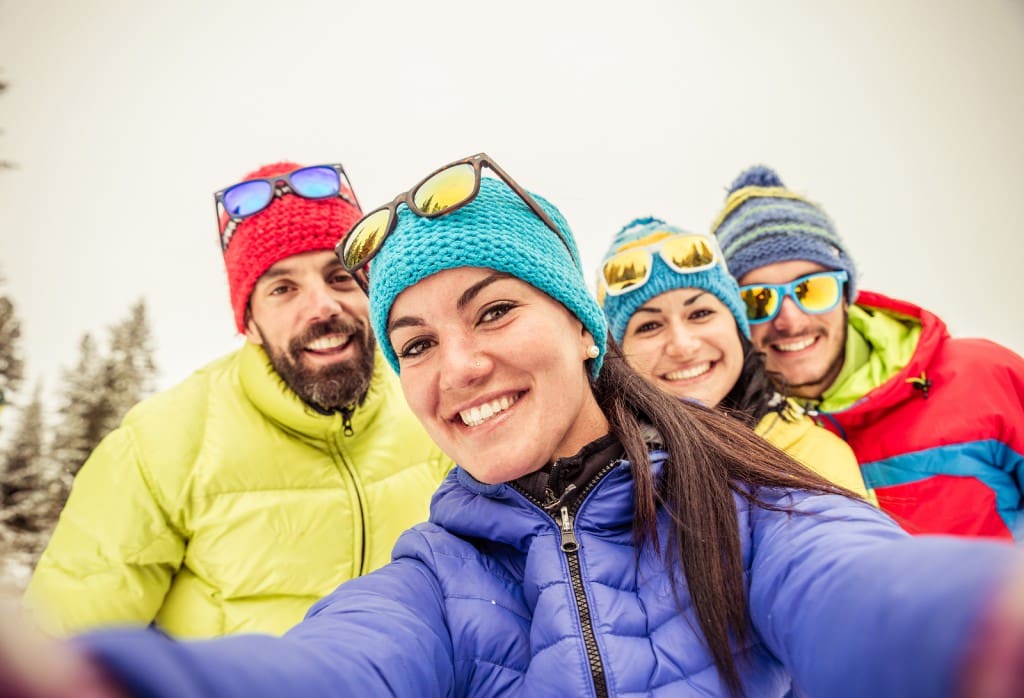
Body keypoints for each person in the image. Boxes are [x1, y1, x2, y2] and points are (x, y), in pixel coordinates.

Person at [3, 152, 1023, 698]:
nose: (462, 366)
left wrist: (977, 631)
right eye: (418, 341)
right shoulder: (440, 571)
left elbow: (857, 583)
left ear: (585, 331)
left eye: (493, 309)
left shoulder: (738, 492)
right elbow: (335, 662)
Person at [23, 161, 452, 638]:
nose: (323, 307)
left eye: (338, 277)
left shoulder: (432, 407)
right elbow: (62, 652)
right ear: (248, 322)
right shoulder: (157, 446)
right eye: (283, 289)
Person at [711, 164, 1024, 541]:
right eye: (757, 299)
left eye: (812, 289)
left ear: (845, 294)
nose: (790, 320)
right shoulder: (740, 440)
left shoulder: (983, 377)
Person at [597, 216, 871, 499]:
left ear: (738, 327)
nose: (683, 346)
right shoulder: (600, 472)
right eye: (650, 326)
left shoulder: (812, 457)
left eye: (700, 314)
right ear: (618, 355)